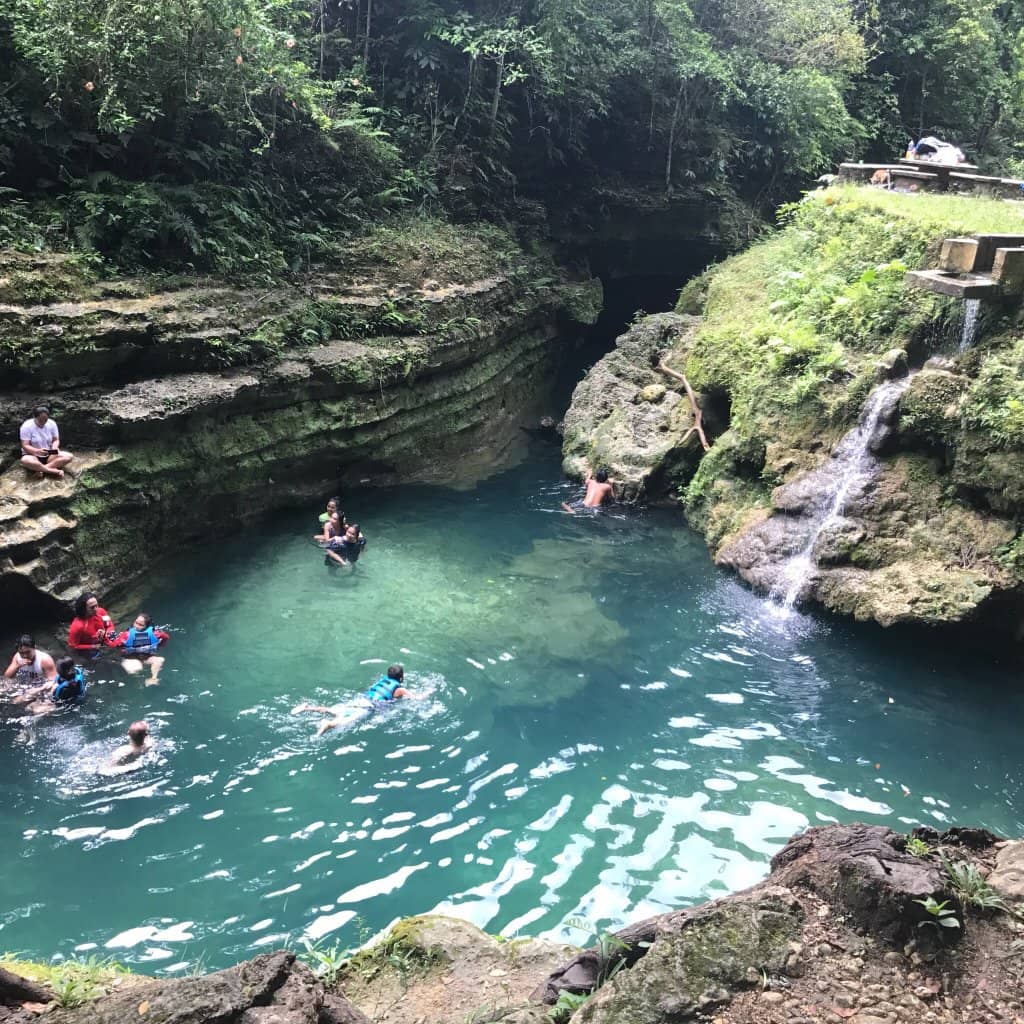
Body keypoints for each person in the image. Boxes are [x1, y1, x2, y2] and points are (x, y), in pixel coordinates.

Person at [292, 663, 415, 736]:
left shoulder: (382, 681)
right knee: (346, 721)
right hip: (368, 707)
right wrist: (429, 691)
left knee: (335, 710)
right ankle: (328, 724)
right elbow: (416, 698)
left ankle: (307, 708)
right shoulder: (400, 689)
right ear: (401, 677)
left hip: (361, 700)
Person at [13, 657, 87, 715]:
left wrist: (42, 698)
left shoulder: (66, 688)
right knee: (28, 695)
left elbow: (56, 700)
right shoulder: (75, 671)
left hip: (64, 704)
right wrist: (41, 689)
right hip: (59, 694)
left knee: (32, 709)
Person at [110, 613, 169, 685]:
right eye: (136, 623)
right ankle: (139, 682)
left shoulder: (155, 634)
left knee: (159, 660)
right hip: (131, 658)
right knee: (135, 668)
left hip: (146, 658)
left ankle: (153, 679)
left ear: (147, 627)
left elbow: (165, 637)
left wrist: (159, 646)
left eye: (140, 625)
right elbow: (113, 645)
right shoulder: (126, 635)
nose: (136, 626)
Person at [19, 405, 74, 479]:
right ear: (34, 417)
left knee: (69, 456)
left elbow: (56, 440)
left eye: (45, 420)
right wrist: (36, 451)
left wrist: (54, 447)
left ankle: (42, 469)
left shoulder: (52, 423)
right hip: (32, 454)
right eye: (40, 420)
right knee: (25, 460)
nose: (43, 422)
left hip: (49, 453)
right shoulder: (26, 426)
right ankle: (54, 471)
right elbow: (25, 445)